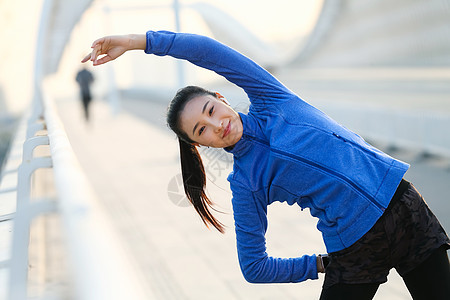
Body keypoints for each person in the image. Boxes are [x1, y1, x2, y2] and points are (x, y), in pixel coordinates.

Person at [82, 31, 450, 299]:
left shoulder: (273, 100)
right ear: (199, 144)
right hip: (355, 249)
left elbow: (208, 52)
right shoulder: (246, 183)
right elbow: (254, 267)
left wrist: (138, 41)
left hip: (406, 210)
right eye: (201, 130)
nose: (217, 125)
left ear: (221, 97)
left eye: (211, 110)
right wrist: (318, 264)